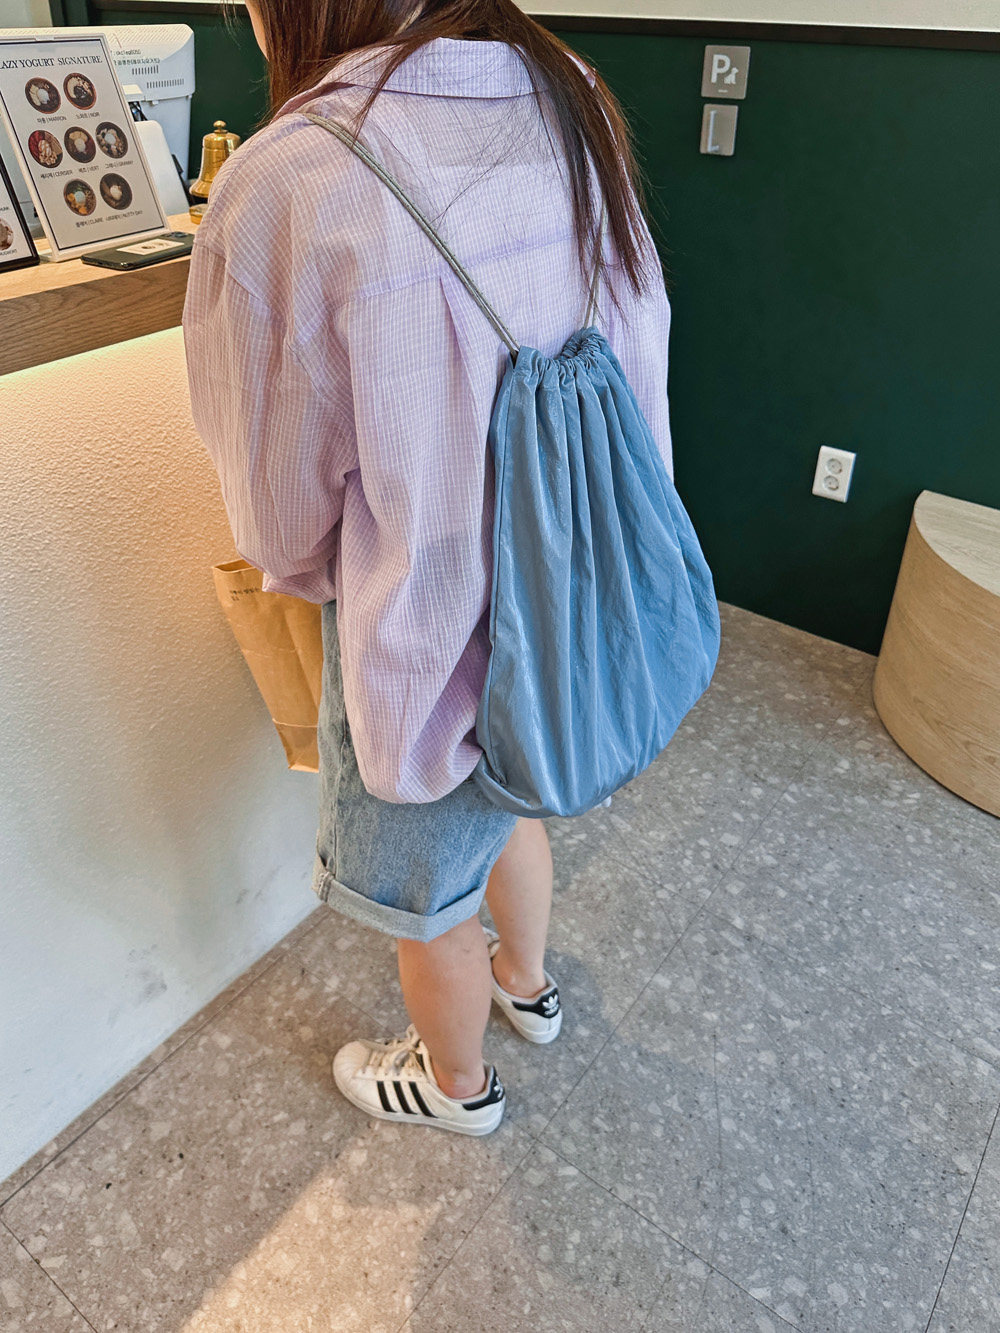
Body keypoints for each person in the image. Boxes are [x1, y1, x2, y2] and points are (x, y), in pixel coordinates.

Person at [182, 0, 673, 1137]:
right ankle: (529, 986)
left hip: (419, 620)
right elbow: (639, 350)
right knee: (514, 803)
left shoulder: (291, 174)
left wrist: (325, 576)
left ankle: (456, 1088)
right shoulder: (567, 90)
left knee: (429, 899)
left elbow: (278, 518)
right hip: (557, 596)